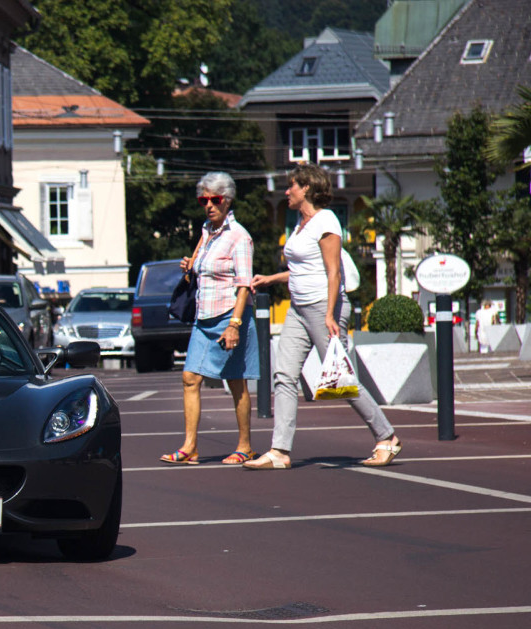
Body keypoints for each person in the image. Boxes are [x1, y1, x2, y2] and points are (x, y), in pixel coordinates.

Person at [245, 163, 402, 469]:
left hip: (323, 308)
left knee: (341, 379)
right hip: (299, 310)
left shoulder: (326, 220)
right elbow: (302, 270)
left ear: (307, 188)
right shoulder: (300, 225)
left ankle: (387, 437)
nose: (287, 191)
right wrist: (271, 279)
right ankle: (280, 451)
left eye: (292, 185)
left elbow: (333, 273)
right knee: (284, 376)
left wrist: (330, 314)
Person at [160, 172, 258, 465]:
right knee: (190, 377)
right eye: (204, 200)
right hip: (203, 316)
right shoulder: (206, 232)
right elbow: (200, 267)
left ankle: (245, 446)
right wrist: (190, 265)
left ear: (227, 201)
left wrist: (234, 325)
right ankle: (190, 446)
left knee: (236, 382)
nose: (209, 205)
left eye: (215, 200)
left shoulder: (239, 237)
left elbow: (244, 285)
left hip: (230, 314)